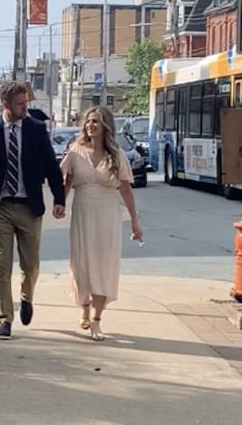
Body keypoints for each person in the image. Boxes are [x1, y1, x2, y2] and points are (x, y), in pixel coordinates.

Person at [0, 81, 66, 341]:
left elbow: (50, 164)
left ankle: (27, 298)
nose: (26, 107)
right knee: (1, 265)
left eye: (27, 102)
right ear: (6, 105)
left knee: (31, 265)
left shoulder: (36, 129)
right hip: (0, 207)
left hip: (29, 206)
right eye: (21, 104)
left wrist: (60, 198)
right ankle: (4, 318)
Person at [59, 106, 143, 341]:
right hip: (83, 211)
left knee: (104, 265)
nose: (90, 125)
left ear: (105, 125)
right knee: (82, 264)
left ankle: (97, 319)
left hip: (107, 214)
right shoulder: (75, 151)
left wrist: (135, 221)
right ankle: (84, 306)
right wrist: (59, 204)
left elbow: (125, 189)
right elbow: (66, 181)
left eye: (95, 121)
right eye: (88, 122)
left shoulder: (116, 156)